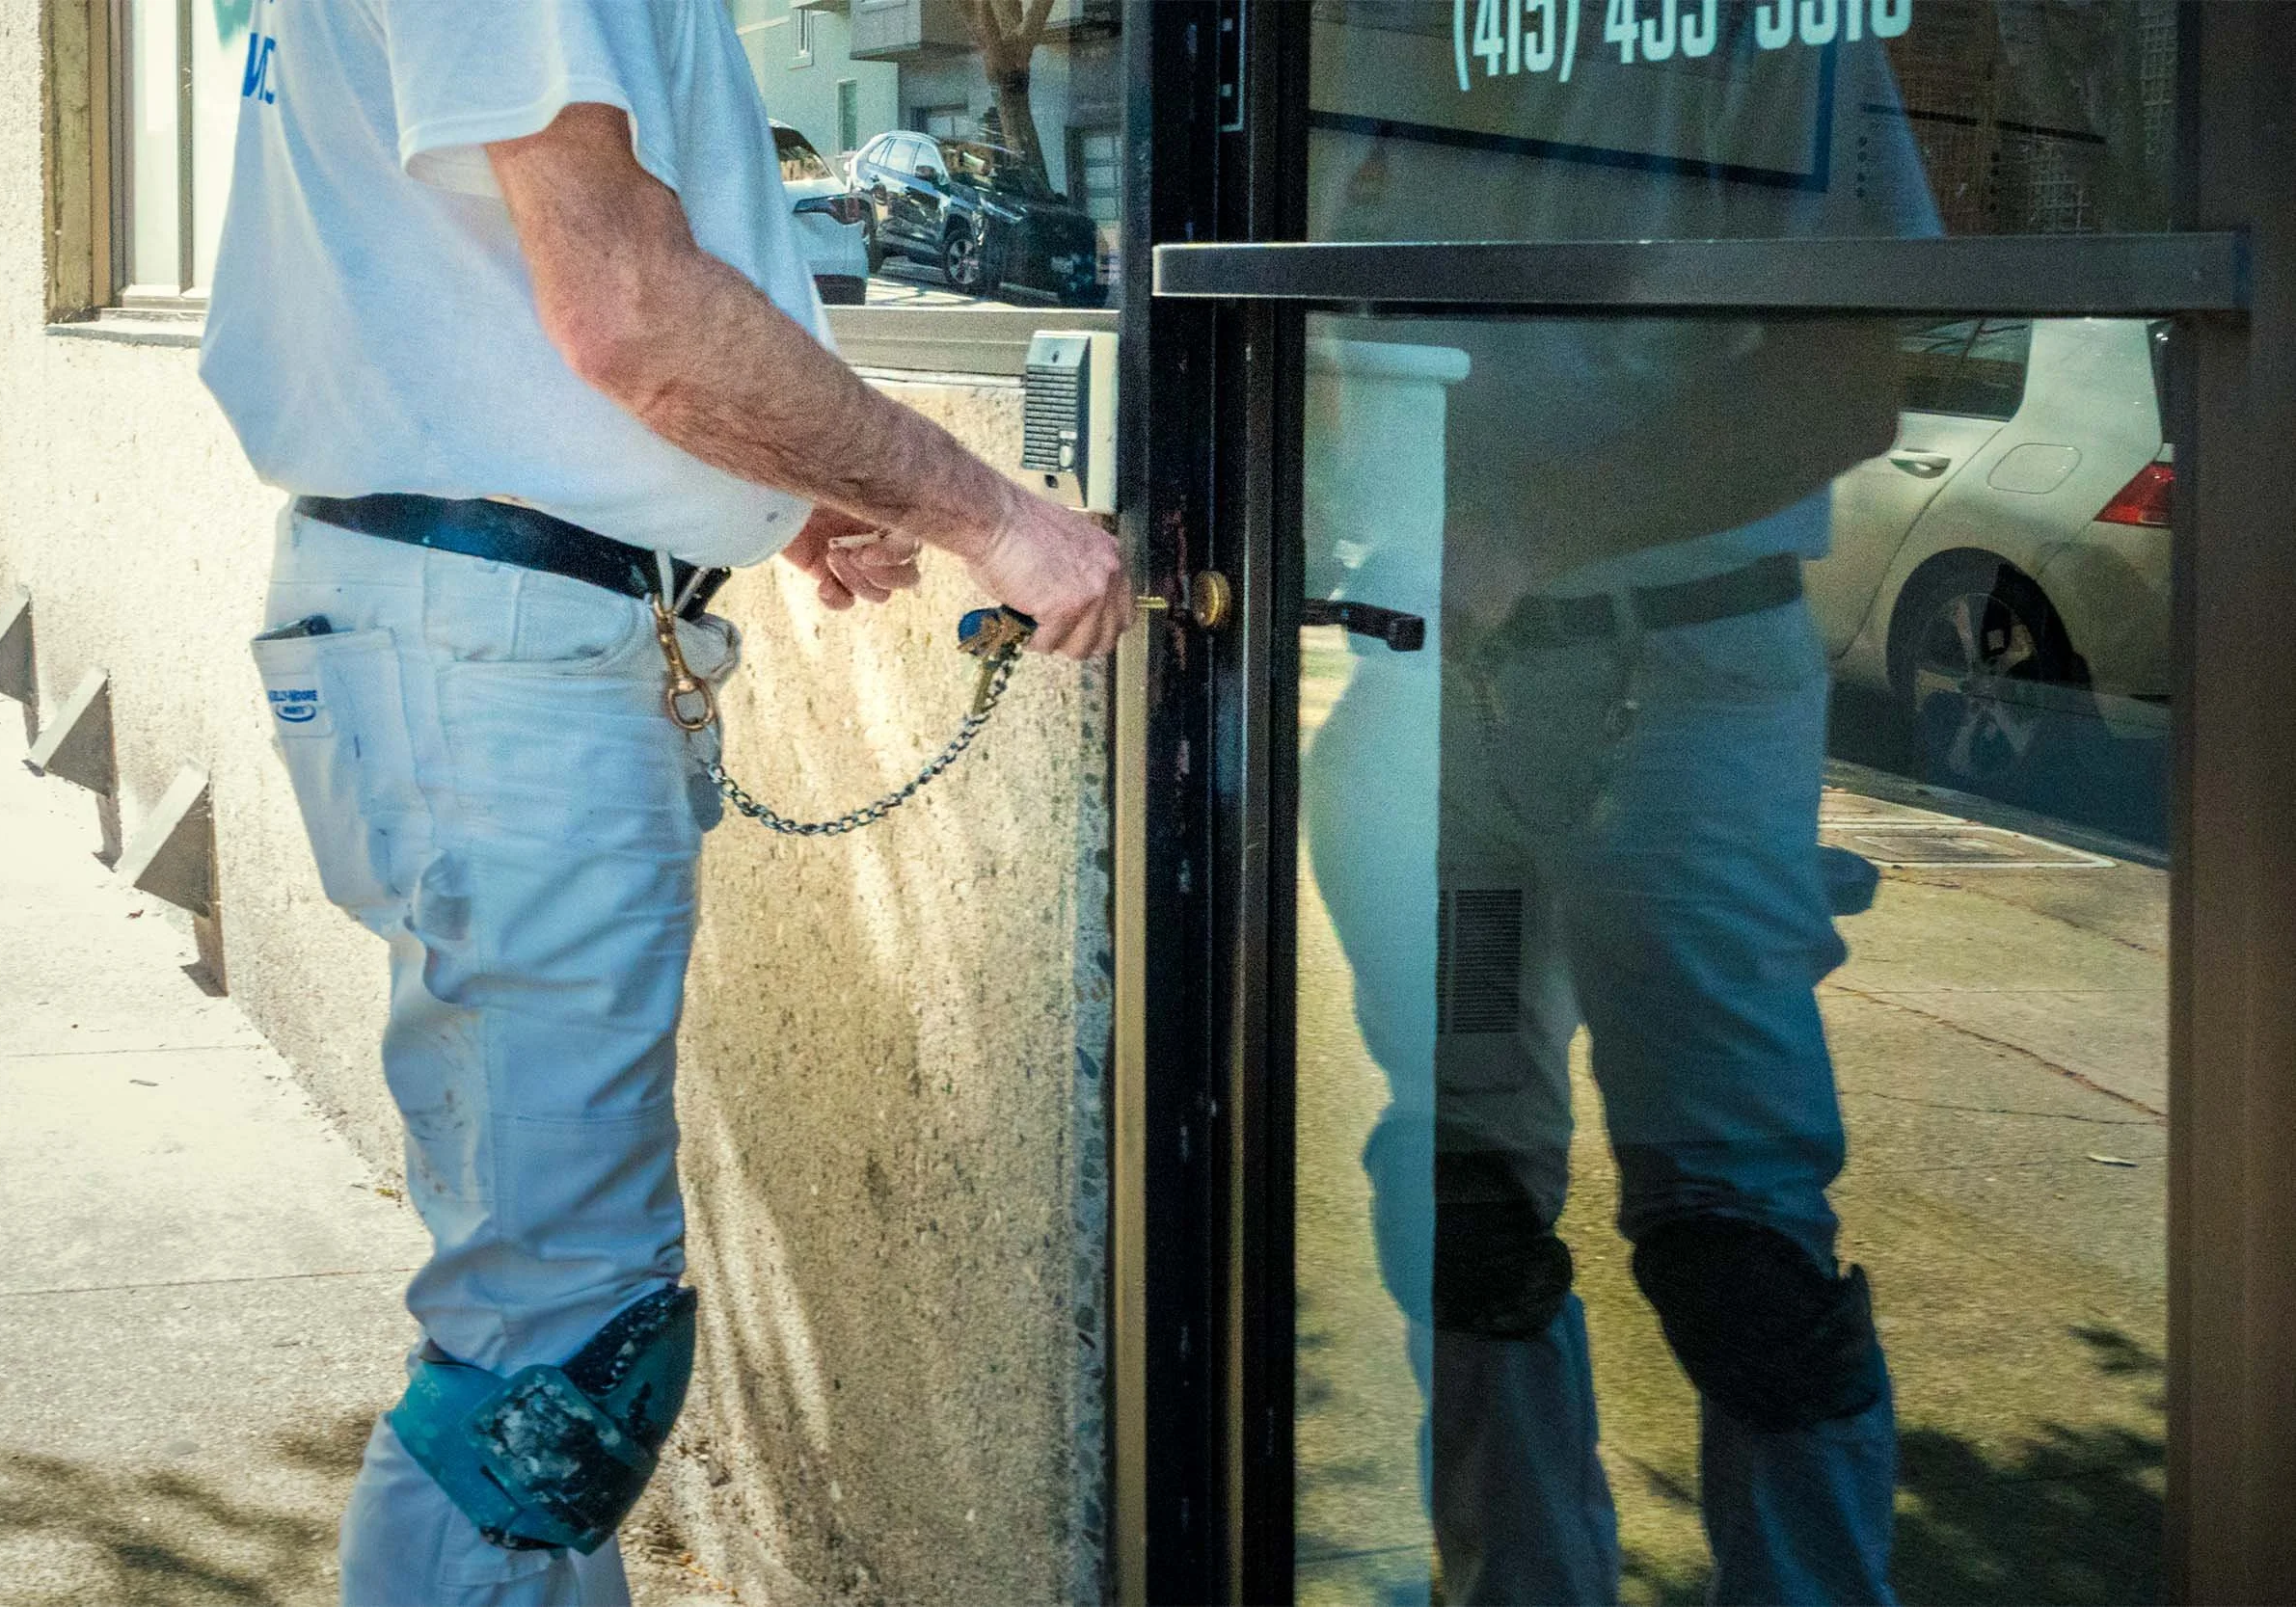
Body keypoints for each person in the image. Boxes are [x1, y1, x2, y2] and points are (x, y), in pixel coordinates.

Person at [199, 2, 1133, 1601]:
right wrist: (992, 515)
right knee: (552, 1371)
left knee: (547, 1332)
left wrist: (760, 494)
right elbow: (625, 310)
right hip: (493, 664)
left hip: (457, 629)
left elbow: (458, 298)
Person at [1301, 23, 1940, 1605]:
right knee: (1464, 1201)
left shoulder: (1764, 40)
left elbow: (1847, 381)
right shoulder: (1347, 47)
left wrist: (1526, 526)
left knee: (1739, 1242)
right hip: (1433, 686)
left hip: (1681, 681)